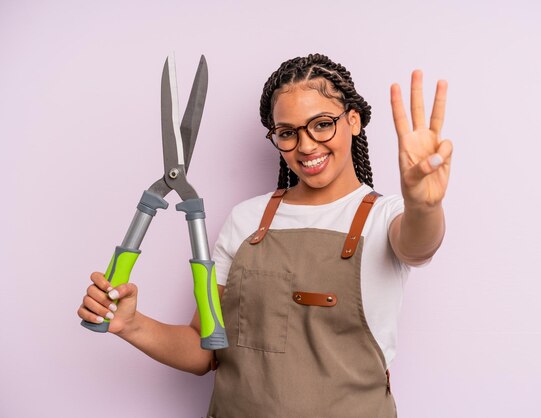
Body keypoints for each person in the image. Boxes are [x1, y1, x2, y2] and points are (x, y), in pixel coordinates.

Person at [77, 53, 453, 418]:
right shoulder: (247, 219)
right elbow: (204, 348)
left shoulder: (386, 216)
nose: (306, 146)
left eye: (322, 124)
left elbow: (419, 245)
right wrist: (131, 323)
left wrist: (423, 206)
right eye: (288, 133)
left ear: (353, 121)